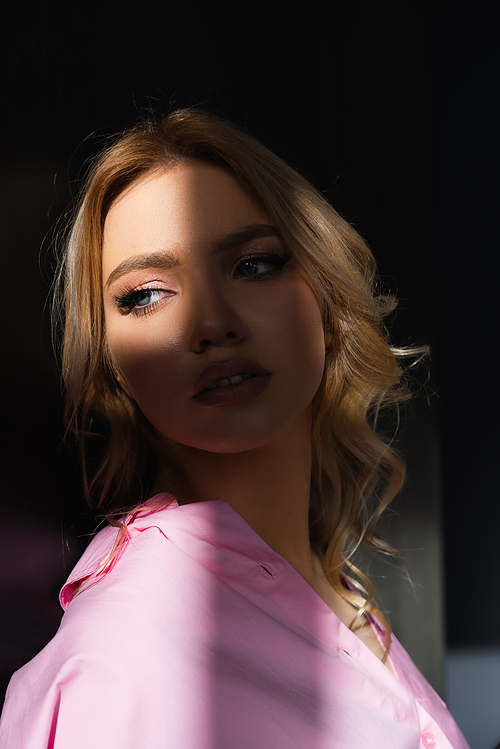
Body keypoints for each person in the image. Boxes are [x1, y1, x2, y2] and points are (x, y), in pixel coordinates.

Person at [0, 108, 469, 748]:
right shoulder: (123, 662)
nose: (211, 323)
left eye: (253, 265)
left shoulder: (333, 588)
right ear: (110, 365)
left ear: (325, 294)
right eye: (145, 294)